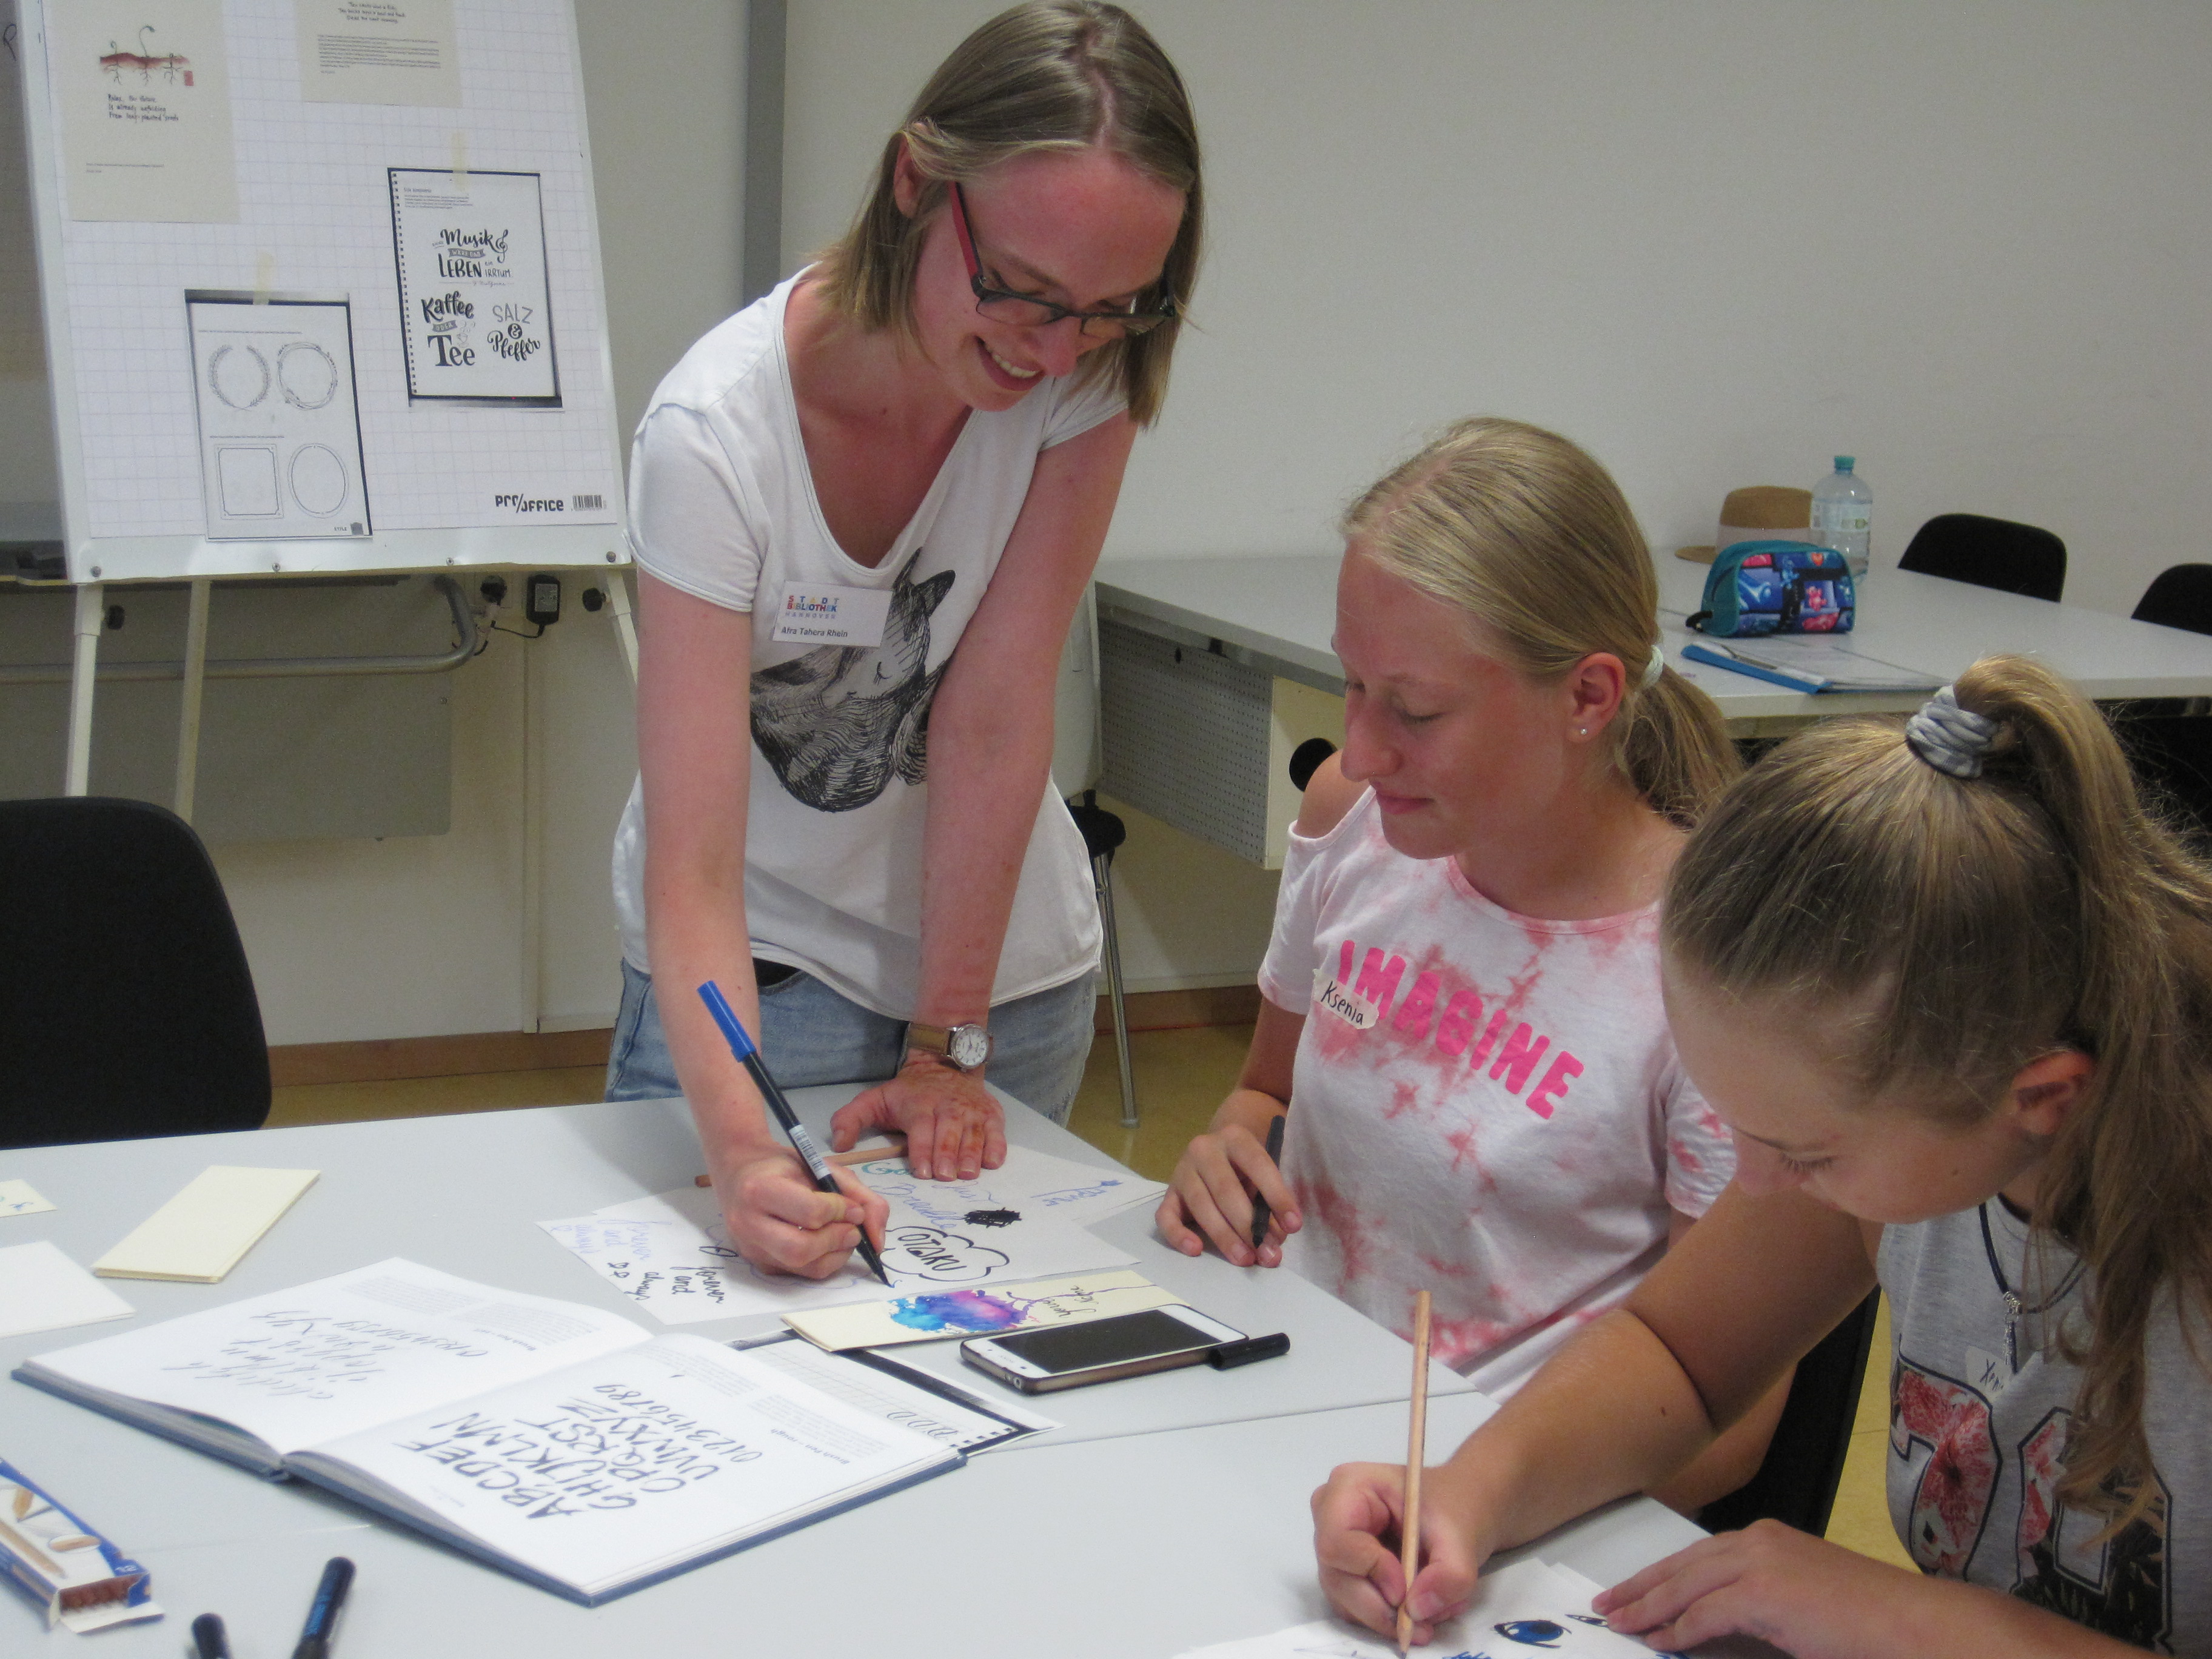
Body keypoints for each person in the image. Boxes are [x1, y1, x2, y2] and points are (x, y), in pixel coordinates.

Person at [1313, 655, 2212, 1656]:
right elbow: (1681, 1353)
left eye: (1805, 1152)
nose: (1755, 1180)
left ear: (2041, 1098)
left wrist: (1915, 1617)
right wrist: (1470, 1492)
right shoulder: (1940, 1099)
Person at [605, 3, 1202, 1279]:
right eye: (1022, 293)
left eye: (1109, 310)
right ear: (916, 183)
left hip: (994, 985)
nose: (1054, 352)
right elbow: (693, 866)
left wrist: (948, 1041)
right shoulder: (713, 439)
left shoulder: (1082, 379)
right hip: (759, 985)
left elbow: (993, 714)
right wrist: (748, 1155)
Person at [1155, 417, 1778, 1503]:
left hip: (1490, 1503)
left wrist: (1472, 1499)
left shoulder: (1711, 975)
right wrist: (1226, 1155)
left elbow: (1723, 1428)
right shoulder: (1352, 824)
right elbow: (1265, 1093)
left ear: (1587, 698)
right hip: (1278, 1412)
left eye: (1415, 709)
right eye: (1352, 685)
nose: (1360, 750)